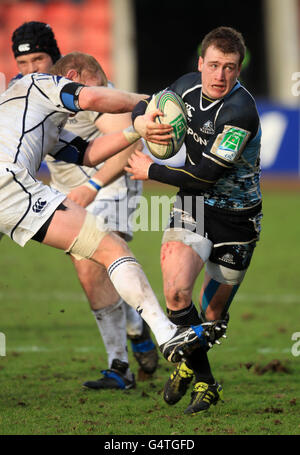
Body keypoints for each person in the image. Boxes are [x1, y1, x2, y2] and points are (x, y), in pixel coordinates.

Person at [0, 44, 215, 374]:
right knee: (110, 248)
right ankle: (166, 332)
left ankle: (128, 354)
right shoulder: (39, 83)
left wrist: (134, 130)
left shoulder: (41, 119)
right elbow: (90, 99)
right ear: (71, 78)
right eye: (97, 84)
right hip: (7, 183)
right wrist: (148, 102)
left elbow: (88, 153)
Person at [10, 22, 159, 389]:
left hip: (110, 184)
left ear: (55, 58)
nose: (31, 70)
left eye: (39, 59)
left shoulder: (83, 89)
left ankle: (120, 365)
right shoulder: (20, 94)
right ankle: (134, 331)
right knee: (95, 267)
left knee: (89, 262)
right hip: (65, 193)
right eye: (23, 62)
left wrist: (92, 185)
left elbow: (128, 139)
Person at [125, 26, 262, 414]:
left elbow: (205, 174)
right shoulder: (184, 88)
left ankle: (188, 360)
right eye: (214, 65)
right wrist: (143, 124)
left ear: (238, 71)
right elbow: (143, 105)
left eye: (230, 68)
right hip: (194, 207)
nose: (220, 76)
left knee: (213, 317)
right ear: (200, 63)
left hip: (238, 222)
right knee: (177, 295)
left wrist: (151, 170)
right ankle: (204, 380)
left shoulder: (240, 113)